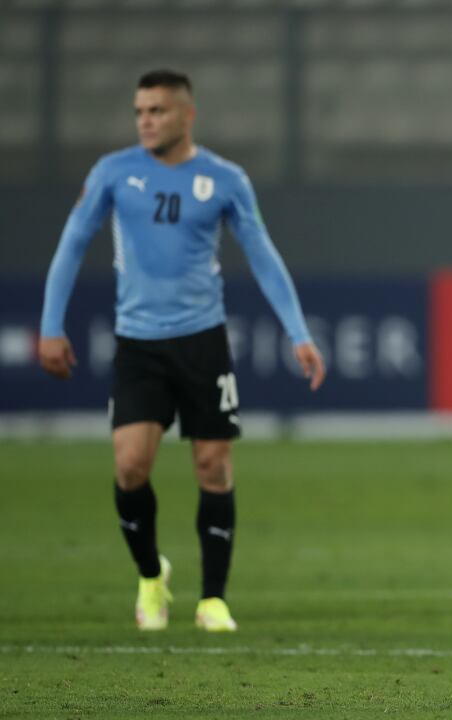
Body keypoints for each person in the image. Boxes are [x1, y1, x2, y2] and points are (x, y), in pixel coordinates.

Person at [38, 69, 326, 632]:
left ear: (187, 115)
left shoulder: (224, 179)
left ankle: (213, 599)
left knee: (213, 465)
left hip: (203, 341)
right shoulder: (113, 173)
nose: (146, 120)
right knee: (129, 467)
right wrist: (51, 325)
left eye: (158, 111)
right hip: (138, 343)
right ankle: (151, 577)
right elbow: (71, 245)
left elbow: (262, 254)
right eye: (140, 111)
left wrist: (298, 332)